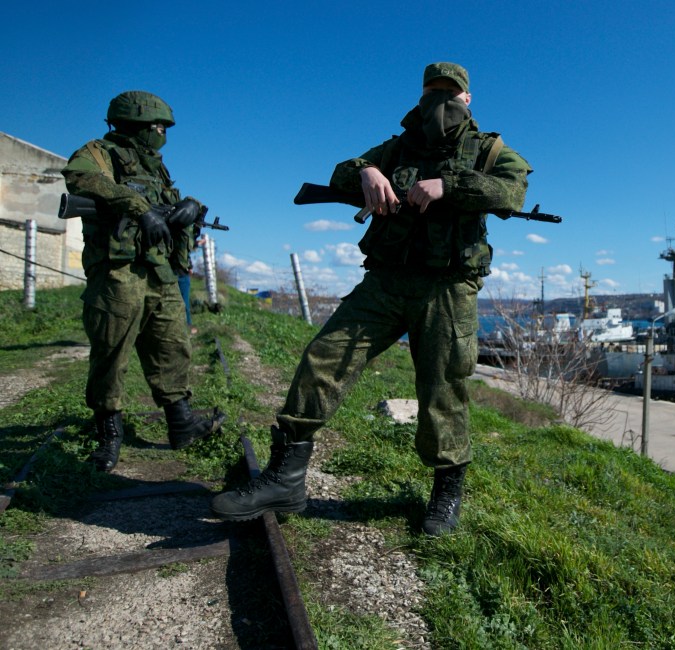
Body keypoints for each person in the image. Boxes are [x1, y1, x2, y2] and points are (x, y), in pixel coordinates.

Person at [211, 63, 531, 536]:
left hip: (447, 288)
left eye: (450, 94)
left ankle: (445, 494)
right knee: (324, 357)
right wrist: (367, 172)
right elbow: (342, 171)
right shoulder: (396, 146)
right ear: (421, 95)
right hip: (384, 281)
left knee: (444, 387)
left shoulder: (489, 151)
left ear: (467, 100)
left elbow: (514, 191)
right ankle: (286, 478)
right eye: (432, 92)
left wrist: (450, 185)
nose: (440, 102)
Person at [62, 91, 224, 472]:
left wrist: (191, 206)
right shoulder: (101, 152)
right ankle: (108, 435)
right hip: (119, 272)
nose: (163, 134)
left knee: (173, 345)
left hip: (159, 270)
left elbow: (170, 201)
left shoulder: (154, 167)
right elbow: (79, 178)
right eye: (158, 127)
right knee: (111, 352)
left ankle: (181, 423)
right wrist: (139, 209)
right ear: (137, 125)